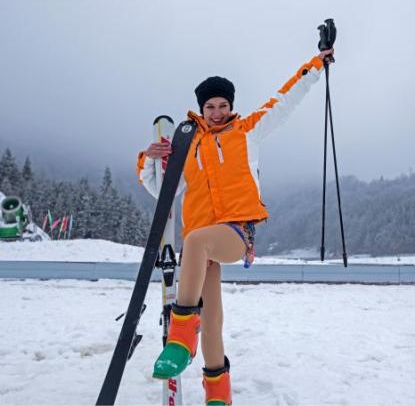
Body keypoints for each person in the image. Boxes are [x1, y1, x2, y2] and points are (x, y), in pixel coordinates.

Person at [136, 47, 334, 405]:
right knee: (211, 319)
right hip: (200, 250)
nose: (216, 112)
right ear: (201, 109)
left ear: (231, 106)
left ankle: (181, 338)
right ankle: (218, 397)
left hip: (234, 233)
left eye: (223, 105)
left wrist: (317, 63)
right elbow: (161, 192)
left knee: (196, 240)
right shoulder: (190, 146)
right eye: (210, 107)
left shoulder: (247, 132)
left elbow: (286, 99)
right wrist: (149, 161)